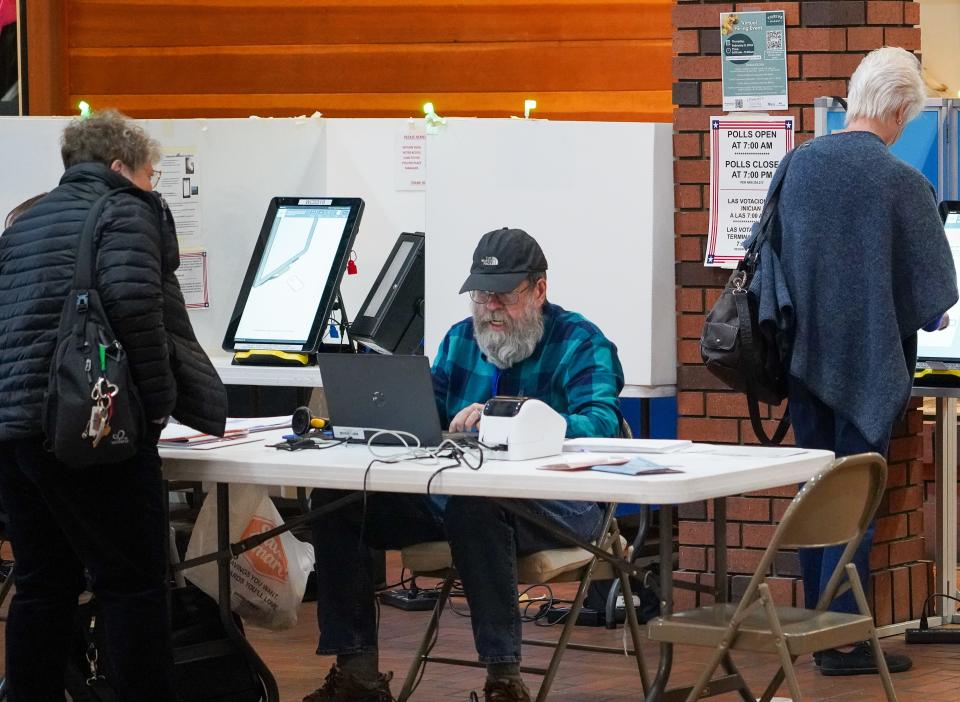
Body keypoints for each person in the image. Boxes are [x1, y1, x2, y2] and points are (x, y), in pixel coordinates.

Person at [306, 227, 624, 702]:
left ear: (539, 290)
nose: (490, 307)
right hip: (456, 499)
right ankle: (358, 676)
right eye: (481, 294)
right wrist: (381, 418)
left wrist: (508, 419)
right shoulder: (459, 341)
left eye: (503, 295)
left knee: (476, 505)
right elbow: (423, 417)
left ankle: (504, 682)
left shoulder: (581, 342)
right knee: (338, 502)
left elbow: (602, 423)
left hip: (560, 503)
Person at [0, 109, 228, 701]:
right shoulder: (127, 208)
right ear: (121, 166)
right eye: (152, 174)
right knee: (131, 586)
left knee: (42, 584)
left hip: (16, 432)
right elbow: (134, 313)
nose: (155, 187)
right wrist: (153, 412)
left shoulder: (23, 220)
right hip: (89, 432)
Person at [771, 47, 958, 676]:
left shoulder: (796, 166)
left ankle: (815, 629)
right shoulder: (906, 184)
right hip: (871, 367)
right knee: (856, 498)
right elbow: (935, 303)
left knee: (816, 492)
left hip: (802, 360)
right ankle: (843, 638)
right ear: (903, 111)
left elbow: (763, 256)